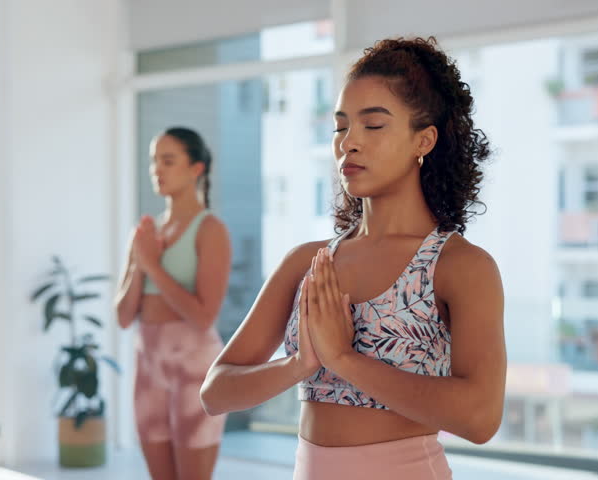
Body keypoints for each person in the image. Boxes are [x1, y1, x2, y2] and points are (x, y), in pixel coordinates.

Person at [200, 37, 506, 479]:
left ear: (424, 139)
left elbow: (480, 419)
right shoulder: (307, 262)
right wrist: (300, 365)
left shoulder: (460, 266)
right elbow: (215, 392)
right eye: (341, 127)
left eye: (373, 126)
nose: (349, 143)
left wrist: (345, 360)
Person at [114, 127, 231, 480]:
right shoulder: (146, 233)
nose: (157, 170)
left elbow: (203, 315)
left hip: (193, 366)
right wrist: (139, 262)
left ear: (196, 168)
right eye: (154, 161)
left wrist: (151, 265)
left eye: (168, 160)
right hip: (148, 362)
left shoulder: (211, 230)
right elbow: (123, 316)